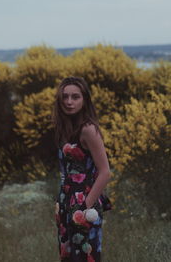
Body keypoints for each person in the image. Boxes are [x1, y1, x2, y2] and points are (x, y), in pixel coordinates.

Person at [53, 76, 112, 262]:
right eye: (65, 97)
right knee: (69, 257)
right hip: (65, 200)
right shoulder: (65, 127)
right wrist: (62, 203)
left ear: (84, 99)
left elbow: (105, 172)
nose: (69, 102)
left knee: (85, 256)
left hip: (84, 202)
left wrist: (84, 206)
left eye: (75, 97)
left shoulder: (88, 129)